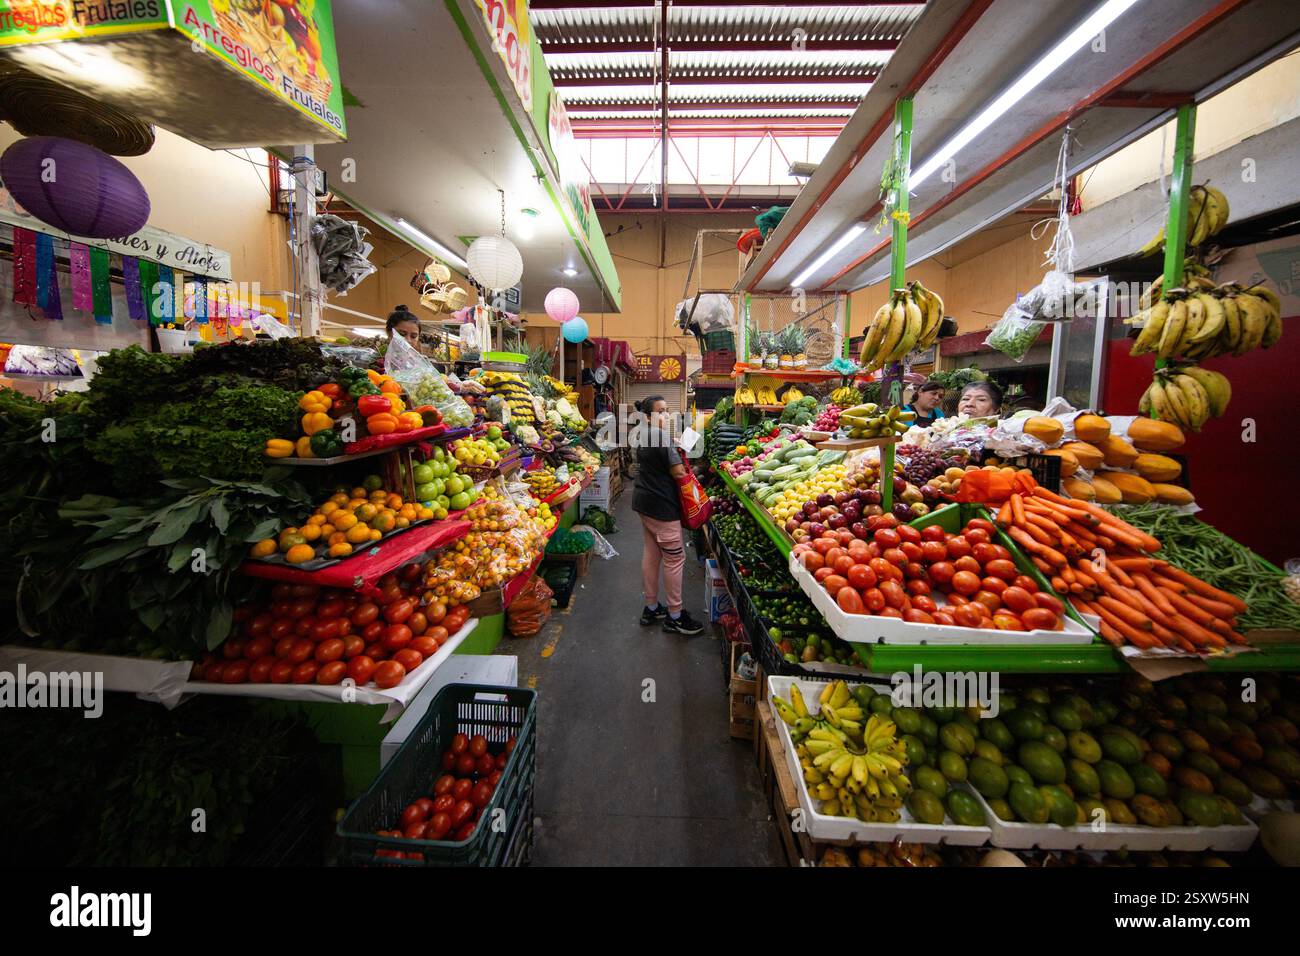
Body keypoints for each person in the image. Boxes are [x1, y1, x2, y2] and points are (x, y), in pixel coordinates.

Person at [632, 396, 704, 636]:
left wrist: (673, 447)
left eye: (667, 411)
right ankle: (675, 615)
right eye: (660, 412)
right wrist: (691, 470)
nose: (665, 416)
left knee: (652, 554)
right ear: (648, 416)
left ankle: (651, 607)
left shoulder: (643, 434)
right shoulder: (660, 436)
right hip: (662, 507)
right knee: (675, 559)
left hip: (644, 502)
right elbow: (677, 472)